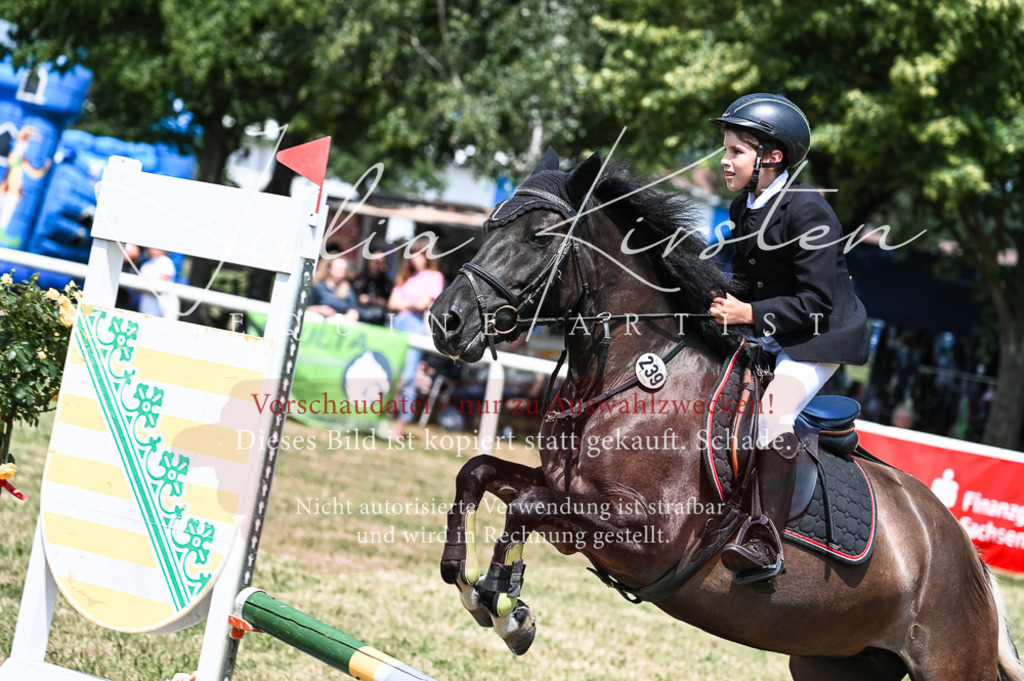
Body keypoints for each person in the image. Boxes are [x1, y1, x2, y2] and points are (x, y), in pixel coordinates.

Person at [706, 93, 870, 586]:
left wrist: (747, 313)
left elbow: (815, 302)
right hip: (771, 329)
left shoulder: (809, 211)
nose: (724, 160)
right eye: (726, 149)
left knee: (772, 415)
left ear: (772, 157)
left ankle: (765, 542)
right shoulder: (744, 205)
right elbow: (744, 279)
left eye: (736, 151)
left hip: (817, 338)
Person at [386, 251, 445, 441]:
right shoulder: (405, 276)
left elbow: (422, 304)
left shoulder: (434, 276)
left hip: (416, 329)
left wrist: (404, 303)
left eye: (420, 255)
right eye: (413, 255)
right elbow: (392, 303)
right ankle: (384, 421)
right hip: (396, 326)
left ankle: (399, 427)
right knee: (390, 375)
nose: (416, 259)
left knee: (409, 378)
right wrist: (410, 303)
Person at [307, 256, 360, 322]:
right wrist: (320, 309)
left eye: (343, 269)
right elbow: (306, 308)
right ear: (329, 269)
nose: (340, 271)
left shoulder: (348, 290)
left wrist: (351, 314)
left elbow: (353, 310)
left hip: (339, 323)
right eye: (337, 269)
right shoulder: (318, 287)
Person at [138, 247, 179, 319]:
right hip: (147, 308)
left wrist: (147, 282)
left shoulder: (166, 261)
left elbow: (163, 281)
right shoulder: (146, 264)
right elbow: (139, 287)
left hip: (163, 310)